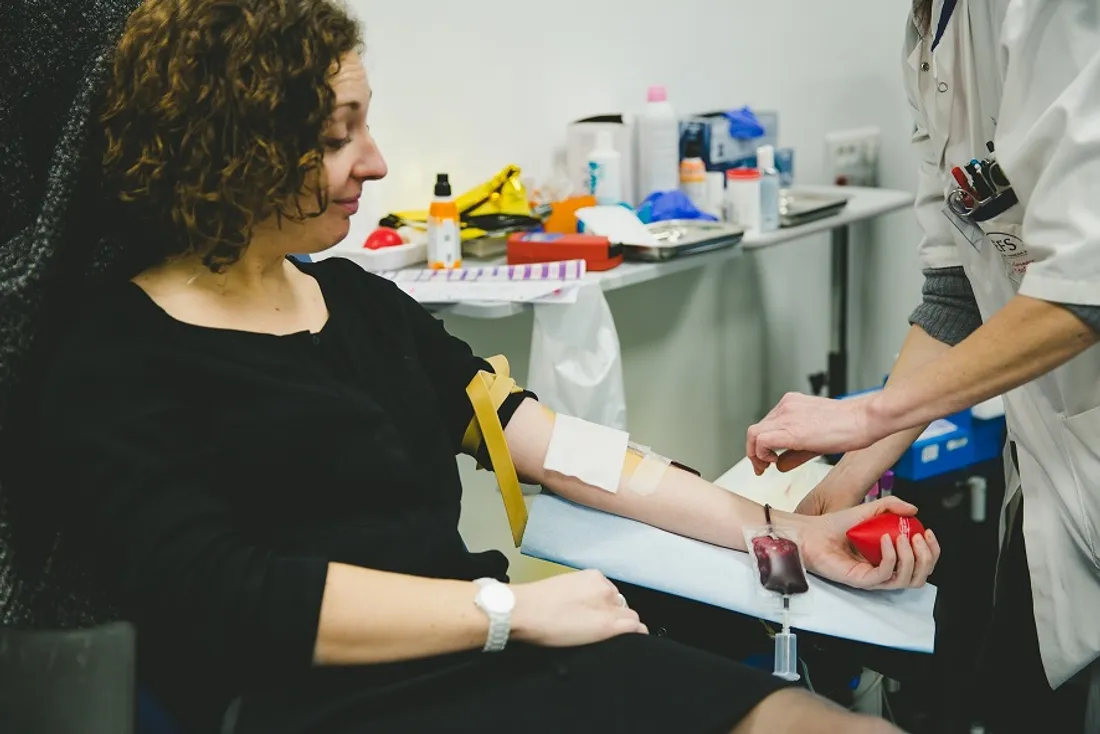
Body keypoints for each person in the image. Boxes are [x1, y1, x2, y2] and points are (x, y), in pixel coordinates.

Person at [0, 1, 939, 733]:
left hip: (495, 659)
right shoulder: (115, 356)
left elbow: (560, 449)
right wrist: (505, 611)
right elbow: (227, 597)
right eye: (336, 137)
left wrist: (785, 533)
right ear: (228, 146)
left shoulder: (361, 306)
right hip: (324, 707)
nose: (374, 163)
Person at [745, 1, 1100, 732]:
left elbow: (1085, 292)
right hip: (1054, 472)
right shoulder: (931, 32)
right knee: (1016, 701)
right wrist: (844, 478)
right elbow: (955, 291)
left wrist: (860, 415)